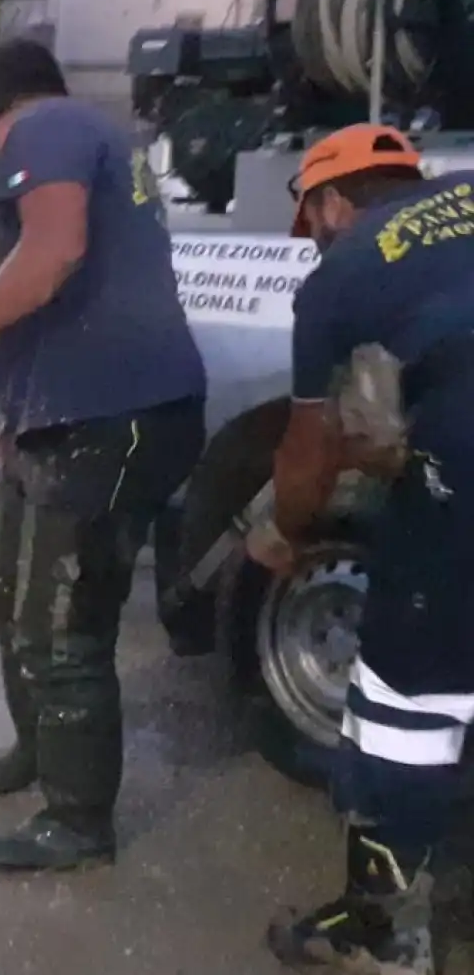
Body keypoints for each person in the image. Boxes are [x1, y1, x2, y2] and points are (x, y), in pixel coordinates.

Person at [0, 38, 205, 871]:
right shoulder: (91, 134)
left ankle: (77, 821)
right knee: (14, 590)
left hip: (112, 418)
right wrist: (14, 411)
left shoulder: (48, 130)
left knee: (63, 628)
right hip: (60, 417)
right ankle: (37, 751)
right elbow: (49, 286)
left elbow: (51, 257)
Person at [244, 125, 474, 975]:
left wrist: (283, 531)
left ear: (334, 200)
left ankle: (381, 935)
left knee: (403, 708)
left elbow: (309, 455)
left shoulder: (344, 273)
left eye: (313, 223)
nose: (316, 244)